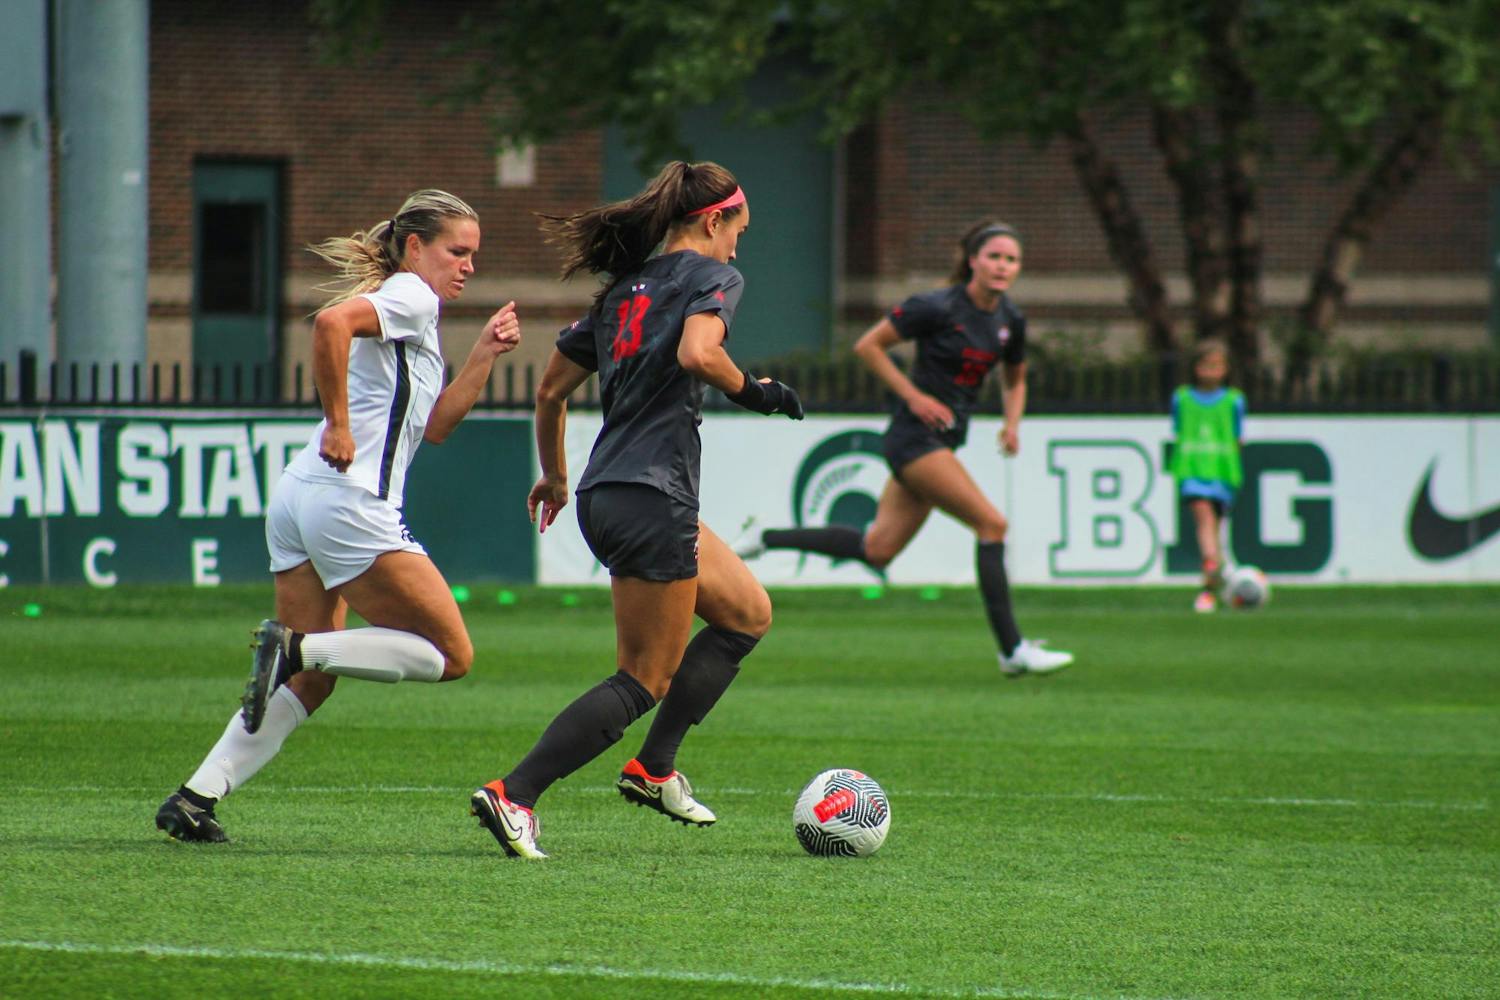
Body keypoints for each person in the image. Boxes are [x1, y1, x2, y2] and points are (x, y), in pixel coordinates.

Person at [155, 189, 521, 843]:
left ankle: (194, 797)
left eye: (473, 254)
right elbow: (330, 325)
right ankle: (294, 647)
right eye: (457, 251)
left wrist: (485, 354)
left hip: (302, 496)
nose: (468, 265)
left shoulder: (411, 310)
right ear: (415, 247)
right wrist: (339, 424)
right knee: (451, 655)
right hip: (350, 503)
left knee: (310, 684)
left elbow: (435, 426)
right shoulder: (412, 296)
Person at [469, 161, 803, 860]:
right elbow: (699, 353)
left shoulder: (624, 290)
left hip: (607, 491)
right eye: (738, 232)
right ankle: (515, 793)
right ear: (713, 220)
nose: (737, 248)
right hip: (654, 496)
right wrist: (760, 393)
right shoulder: (712, 278)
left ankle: (654, 768)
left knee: (746, 614)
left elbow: (550, 392)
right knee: (645, 677)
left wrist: (554, 476)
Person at [739, 220, 1072, 678]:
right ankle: (1012, 650)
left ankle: (765, 537)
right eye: (994, 256)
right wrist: (914, 397)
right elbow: (869, 346)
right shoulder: (936, 306)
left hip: (941, 440)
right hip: (914, 438)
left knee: (878, 550)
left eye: (1011, 259)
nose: (1002, 266)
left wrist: (1012, 424)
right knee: (992, 524)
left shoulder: (1009, 320)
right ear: (973, 260)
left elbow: (1016, 379)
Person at [1168, 339, 1246, 613]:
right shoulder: (1182, 398)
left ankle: (1209, 590)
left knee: (1216, 529)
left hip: (1221, 471)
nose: (1211, 371)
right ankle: (1211, 562)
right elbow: (1178, 430)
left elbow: (1238, 438)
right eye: (1205, 365)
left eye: (1217, 365)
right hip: (1193, 469)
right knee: (1205, 517)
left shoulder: (1234, 400)